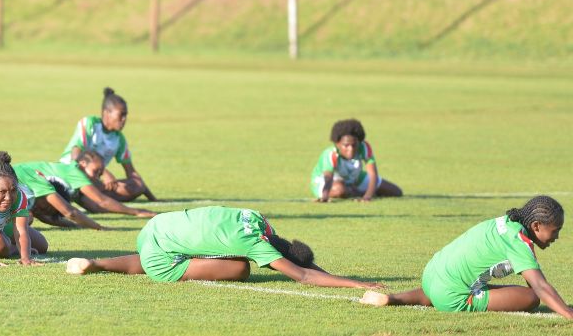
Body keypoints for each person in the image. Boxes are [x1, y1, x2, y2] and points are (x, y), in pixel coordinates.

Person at [66, 205, 384, 289]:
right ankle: (98, 265)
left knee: (156, 252)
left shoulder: (256, 219)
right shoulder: (255, 246)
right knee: (239, 267)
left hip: (155, 228)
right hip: (162, 257)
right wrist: (355, 282)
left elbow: (295, 258)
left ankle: (95, 263)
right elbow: (302, 275)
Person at [360, 195, 573, 319]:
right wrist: (569, 314)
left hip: (431, 275)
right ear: (536, 225)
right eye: (555, 230)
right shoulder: (518, 241)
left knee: (448, 286)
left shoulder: (509, 224)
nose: (557, 236)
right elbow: (539, 288)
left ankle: (392, 298)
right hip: (452, 294)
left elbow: (532, 278)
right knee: (531, 299)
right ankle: (452, 298)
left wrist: (561, 305)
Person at [60, 87, 156, 202]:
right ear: (106, 113)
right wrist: (104, 172)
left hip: (93, 181)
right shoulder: (90, 124)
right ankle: (92, 198)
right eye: (121, 115)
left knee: (135, 186)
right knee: (102, 186)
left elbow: (131, 172)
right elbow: (76, 155)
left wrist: (149, 196)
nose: (124, 119)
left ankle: (92, 198)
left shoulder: (119, 139)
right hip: (69, 173)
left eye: (126, 115)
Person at [28, 151, 156, 219]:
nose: (96, 177)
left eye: (100, 174)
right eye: (95, 171)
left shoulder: (72, 184)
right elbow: (102, 201)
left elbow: (95, 207)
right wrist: (136, 212)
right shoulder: (74, 172)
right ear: (83, 163)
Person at [310, 119, 402, 202]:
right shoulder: (330, 154)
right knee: (339, 190)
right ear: (337, 143)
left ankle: (353, 191)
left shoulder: (364, 147)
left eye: (354, 145)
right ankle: (354, 192)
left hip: (354, 179)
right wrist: (325, 196)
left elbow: (373, 174)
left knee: (396, 192)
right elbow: (328, 178)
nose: (351, 149)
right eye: (346, 145)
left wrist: (368, 197)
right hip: (326, 182)